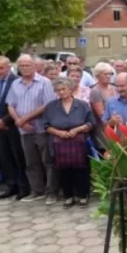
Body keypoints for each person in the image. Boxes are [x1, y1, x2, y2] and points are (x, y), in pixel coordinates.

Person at [6, 55, 57, 203]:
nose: (24, 68)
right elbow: (10, 104)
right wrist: (19, 121)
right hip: (24, 130)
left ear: (35, 66)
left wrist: (25, 118)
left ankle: (51, 192)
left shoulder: (45, 82)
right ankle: (37, 191)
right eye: (21, 65)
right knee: (31, 162)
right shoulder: (15, 83)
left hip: (41, 128)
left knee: (48, 161)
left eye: (27, 65)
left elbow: (47, 104)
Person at [43, 77, 96, 208]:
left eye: (63, 89)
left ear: (70, 89)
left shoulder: (82, 105)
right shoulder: (51, 107)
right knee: (64, 170)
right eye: (58, 90)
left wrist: (78, 129)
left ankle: (83, 195)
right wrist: (58, 132)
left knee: (81, 169)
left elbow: (91, 123)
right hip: (59, 142)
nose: (61, 92)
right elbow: (45, 125)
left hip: (79, 141)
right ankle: (68, 196)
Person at [0, 56, 29, 200]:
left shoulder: (17, 82)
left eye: (1, 68)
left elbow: (17, 105)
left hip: (13, 126)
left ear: (8, 67)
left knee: (18, 157)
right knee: (4, 157)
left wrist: (5, 121)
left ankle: (23, 187)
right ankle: (11, 186)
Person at [90, 62, 117, 148]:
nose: (108, 76)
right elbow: (102, 115)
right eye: (105, 74)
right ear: (97, 75)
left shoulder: (115, 88)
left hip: (118, 125)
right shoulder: (95, 91)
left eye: (110, 73)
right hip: (104, 128)